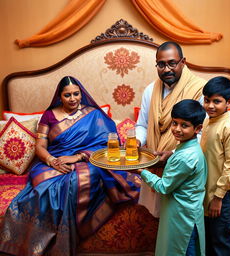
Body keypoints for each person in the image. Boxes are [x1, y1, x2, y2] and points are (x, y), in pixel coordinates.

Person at [0, 76, 140, 256]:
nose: (73, 98)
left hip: (87, 161)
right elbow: (40, 146)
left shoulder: (93, 114)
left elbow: (107, 144)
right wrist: (52, 161)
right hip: (52, 160)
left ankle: (64, 244)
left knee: (74, 181)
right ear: (60, 96)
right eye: (67, 95)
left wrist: (78, 157)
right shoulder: (49, 115)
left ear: (81, 94)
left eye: (76, 94)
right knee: (44, 186)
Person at [136, 41, 207, 217]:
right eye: (161, 64)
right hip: (154, 159)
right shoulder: (151, 90)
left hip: (183, 164)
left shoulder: (200, 89)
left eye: (172, 63)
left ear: (183, 62)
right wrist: (137, 140)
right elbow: (142, 124)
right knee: (158, 216)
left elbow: (203, 133)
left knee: (179, 218)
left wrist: (174, 153)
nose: (166, 69)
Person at [132, 99, 207, 256]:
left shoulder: (185, 157)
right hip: (186, 210)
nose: (177, 129)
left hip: (182, 215)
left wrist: (141, 172)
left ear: (198, 128)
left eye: (184, 125)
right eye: (174, 123)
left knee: (181, 249)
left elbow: (164, 187)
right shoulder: (188, 148)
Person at [200, 76, 230, 255]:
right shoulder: (208, 121)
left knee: (220, 243)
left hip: (221, 196)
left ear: (229, 102)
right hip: (206, 191)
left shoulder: (229, 129)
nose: (210, 105)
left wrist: (217, 198)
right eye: (207, 100)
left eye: (216, 101)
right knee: (208, 240)